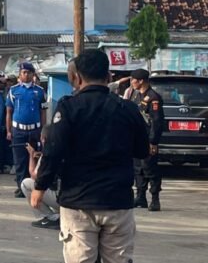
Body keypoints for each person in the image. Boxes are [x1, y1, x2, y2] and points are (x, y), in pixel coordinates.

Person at [33, 50, 149, 263]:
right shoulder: (128, 108)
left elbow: (53, 150)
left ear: (76, 77)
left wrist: (40, 186)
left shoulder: (68, 107)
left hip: (78, 202)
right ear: (109, 76)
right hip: (117, 201)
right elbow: (143, 151)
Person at [6, 62, 46, 198]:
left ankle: (32, 185)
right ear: (20, 74)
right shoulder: (13, 90)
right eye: (23, 72)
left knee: (34, 157)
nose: (26, 74)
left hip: (34, 130)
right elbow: (9, 112)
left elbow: (43, 112)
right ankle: (20, 187)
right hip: (18, 130)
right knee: (19, 160)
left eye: (28, 72)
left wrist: (43, 131)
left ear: (33, 74)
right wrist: (8, 131)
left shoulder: (40, 91)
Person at [127, 68, 165, 211]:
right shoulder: (136, 96)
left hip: (148, 139)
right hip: (137, 138)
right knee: (138, 169)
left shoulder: (153, 97)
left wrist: (153, 142)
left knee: (150, 169)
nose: (131, 82)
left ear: (141, 81)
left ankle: (155, 199)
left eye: (133, 80)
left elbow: (157, 121)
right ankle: (140, 197)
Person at [21, 125, 59, 230]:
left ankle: (51, 218)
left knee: (26, 183)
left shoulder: (48, 153)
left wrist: (31, 155)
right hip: (74, 198)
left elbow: (34, 175)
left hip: (60, 198)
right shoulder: (65, 149)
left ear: (43, 139)